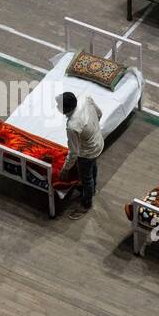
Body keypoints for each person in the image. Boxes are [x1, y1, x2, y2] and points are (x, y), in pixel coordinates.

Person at [59, 91, 103, 220]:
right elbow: (99, 113)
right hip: (98, 141)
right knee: (93, 166)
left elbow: (74, 152)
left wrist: (65, 169)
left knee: (86, 177)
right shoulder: (86, 99)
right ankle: (93, 189)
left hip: (88, 152)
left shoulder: (72, 126)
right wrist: (91, 130)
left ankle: (86, 204)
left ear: (65, 109)